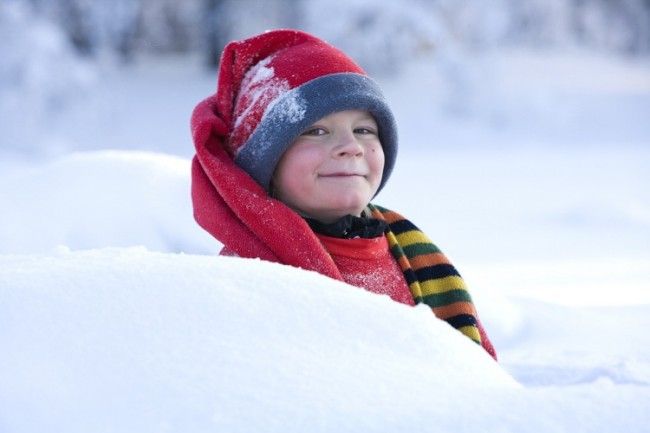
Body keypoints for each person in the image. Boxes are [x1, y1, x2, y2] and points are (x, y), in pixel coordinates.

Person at [191, 29, 497, 360]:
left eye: (364, 130)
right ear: (266, 161)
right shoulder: (249, 274)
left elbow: (479, 377)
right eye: (316, 131)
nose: (351, 147)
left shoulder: (409, 247)